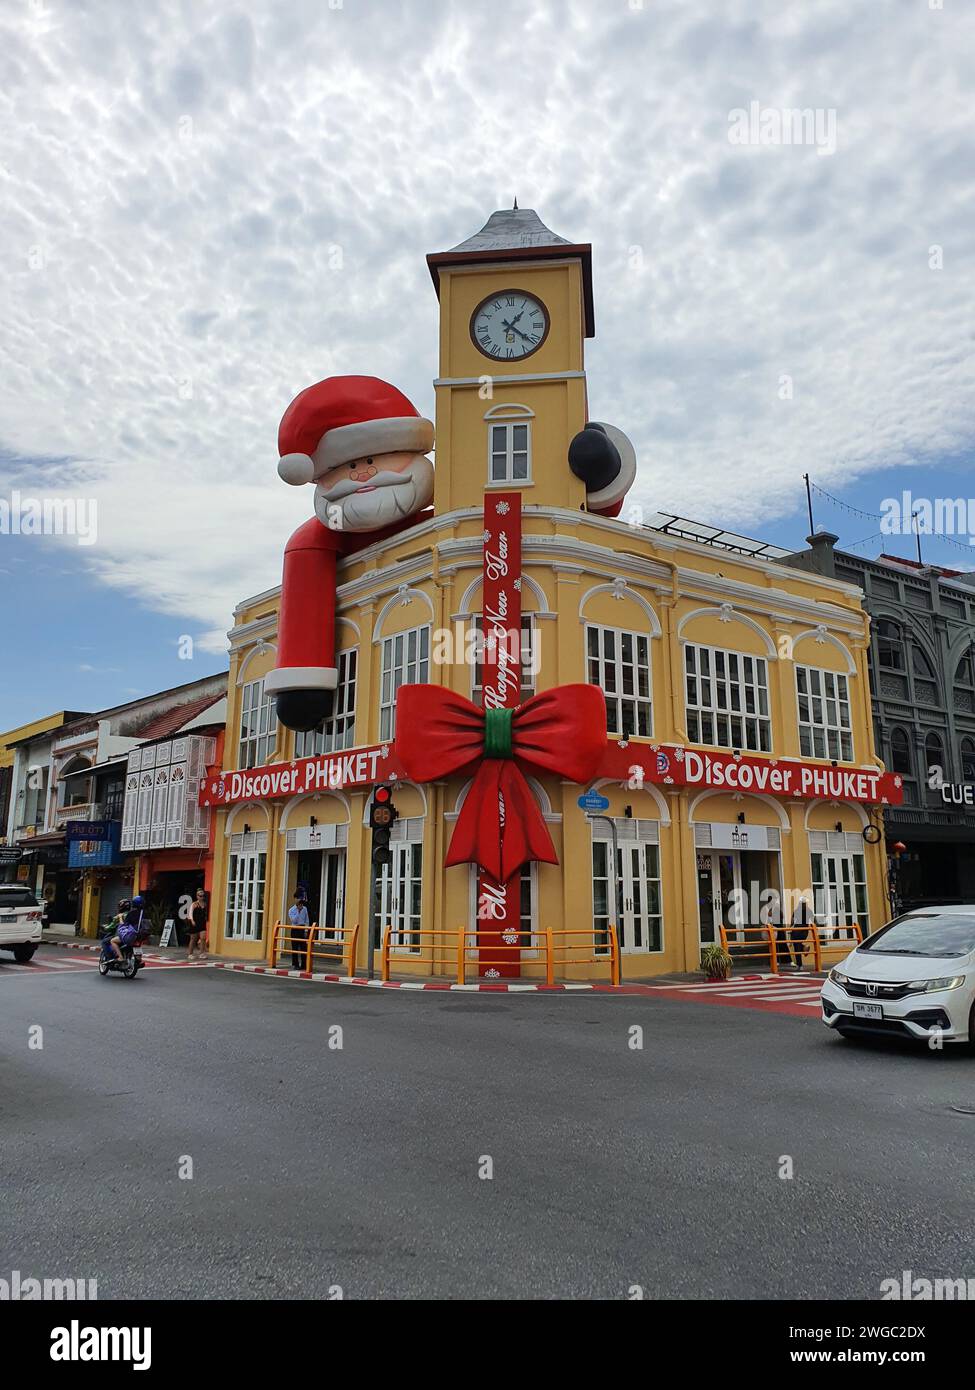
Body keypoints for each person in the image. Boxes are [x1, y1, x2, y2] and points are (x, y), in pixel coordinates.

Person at [111, 895, 145, 961]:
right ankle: (139, 960)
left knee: (112, 941)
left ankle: (120, 957)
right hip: (141, 936)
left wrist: (120, 918)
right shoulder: (143, 913)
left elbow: (123, 925)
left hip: (131, 936)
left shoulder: (131, 914)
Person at [790, 893, 815, 970]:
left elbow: (792, 922)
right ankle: (804, 947)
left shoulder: (796, 910)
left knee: (796, 946)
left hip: (796, 930)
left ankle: (799, 965)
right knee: (798, 945)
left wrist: (790, 928)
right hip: (804, 931)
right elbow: (814, 921)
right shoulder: (809, 911)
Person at [289, 891, 310, 969]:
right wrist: (298, 911)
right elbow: (293, 921)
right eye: (298, 898)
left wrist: (306, 930)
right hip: (295, 928)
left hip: (302, 928)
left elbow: (306, 920)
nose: (299, 900)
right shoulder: (291, 910)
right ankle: (295, 964)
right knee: (295, 947)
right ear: (295, 899)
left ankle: (304, 964)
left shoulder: (305, 909)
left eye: (300, 898)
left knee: (303, 948)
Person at [187, 888, 208, 960]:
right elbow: (190, 913)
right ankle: (190, 953)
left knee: (203, 938)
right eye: (200, 896)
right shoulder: (194, 904)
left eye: (203, 896)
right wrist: (192, 921)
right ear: (197, 896)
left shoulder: (205, 904)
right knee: (193, 939)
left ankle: (202, 953)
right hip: (195, 922)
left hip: (202, 922)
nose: (202, 897)